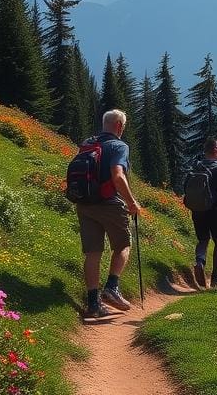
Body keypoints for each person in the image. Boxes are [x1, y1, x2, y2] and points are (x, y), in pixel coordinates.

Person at [76, 109, 142, 318]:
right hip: (109, 203)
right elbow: (118, 176)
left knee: (93, 253)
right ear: (119, 126)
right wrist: (132, 202)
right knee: (123, 244)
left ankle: (93, 304)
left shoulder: (88, 144)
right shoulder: (119, 146)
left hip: (85, 203)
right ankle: (112, 287)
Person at [190, 139, 217, 288]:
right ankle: (215, 278)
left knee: (203, 240)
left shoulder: (196, 167)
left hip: (197, 210)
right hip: (216, 211)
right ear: (216, 150)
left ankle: (200, 261)